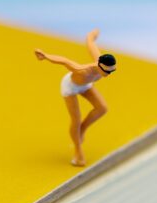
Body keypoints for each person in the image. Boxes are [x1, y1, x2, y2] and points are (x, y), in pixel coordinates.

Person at [34, 29, 116, 166]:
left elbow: (90, 42)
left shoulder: (99, 60)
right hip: (71, 87)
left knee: (102, 108)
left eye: (112, 71)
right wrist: (46, 56)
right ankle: (78, 151)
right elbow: (64, 61)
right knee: (76, 119)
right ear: (100, 66)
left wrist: (92, 35)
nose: (109, 74)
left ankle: (82, 129)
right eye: (107, 71)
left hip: (86, 85)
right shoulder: (83, 70)